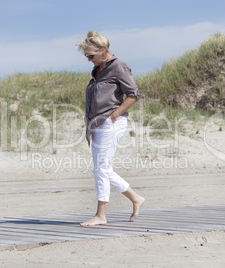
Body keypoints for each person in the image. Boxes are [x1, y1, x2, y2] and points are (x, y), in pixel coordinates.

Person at [76, 31, 145, 227]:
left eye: (91, 56)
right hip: (97, 124)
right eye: (86, 56)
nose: (89, 60)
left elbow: (133, 94)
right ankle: (135, 198)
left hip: (110, 123)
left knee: (101, 169)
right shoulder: (99, 69)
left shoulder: (118, 66)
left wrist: (115, 114)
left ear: (103, 51)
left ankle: (101, 215)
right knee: (103, 169)